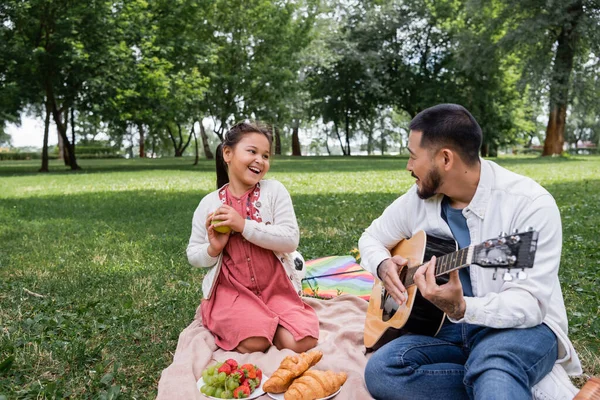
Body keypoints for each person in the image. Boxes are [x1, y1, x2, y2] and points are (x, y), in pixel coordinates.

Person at [360, 104, 582, 399]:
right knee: (382, 372)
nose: (408, 167)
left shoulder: (530, 204)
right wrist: (383, 264)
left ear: (446, 159)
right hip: (449, 330)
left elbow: (529, 305)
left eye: (413, 157)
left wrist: (463, 308)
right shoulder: (418, 200)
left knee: (495, 368)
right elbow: (371, 237)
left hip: (522, 328)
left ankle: (498, 378)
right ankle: (502, 386)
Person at [186, 121, 319, 354]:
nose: (260, 160)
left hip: (276, 290)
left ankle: (270, 321)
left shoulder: (275, 191)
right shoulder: (210, 204)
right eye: (252, 151)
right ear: (227, 153)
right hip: (233, 293)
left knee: (303, 341)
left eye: (266, 155)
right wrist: (213, 249)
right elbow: (193, 254)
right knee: (254, 342)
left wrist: (244, 225)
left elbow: (290, 239)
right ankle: (249, 321)